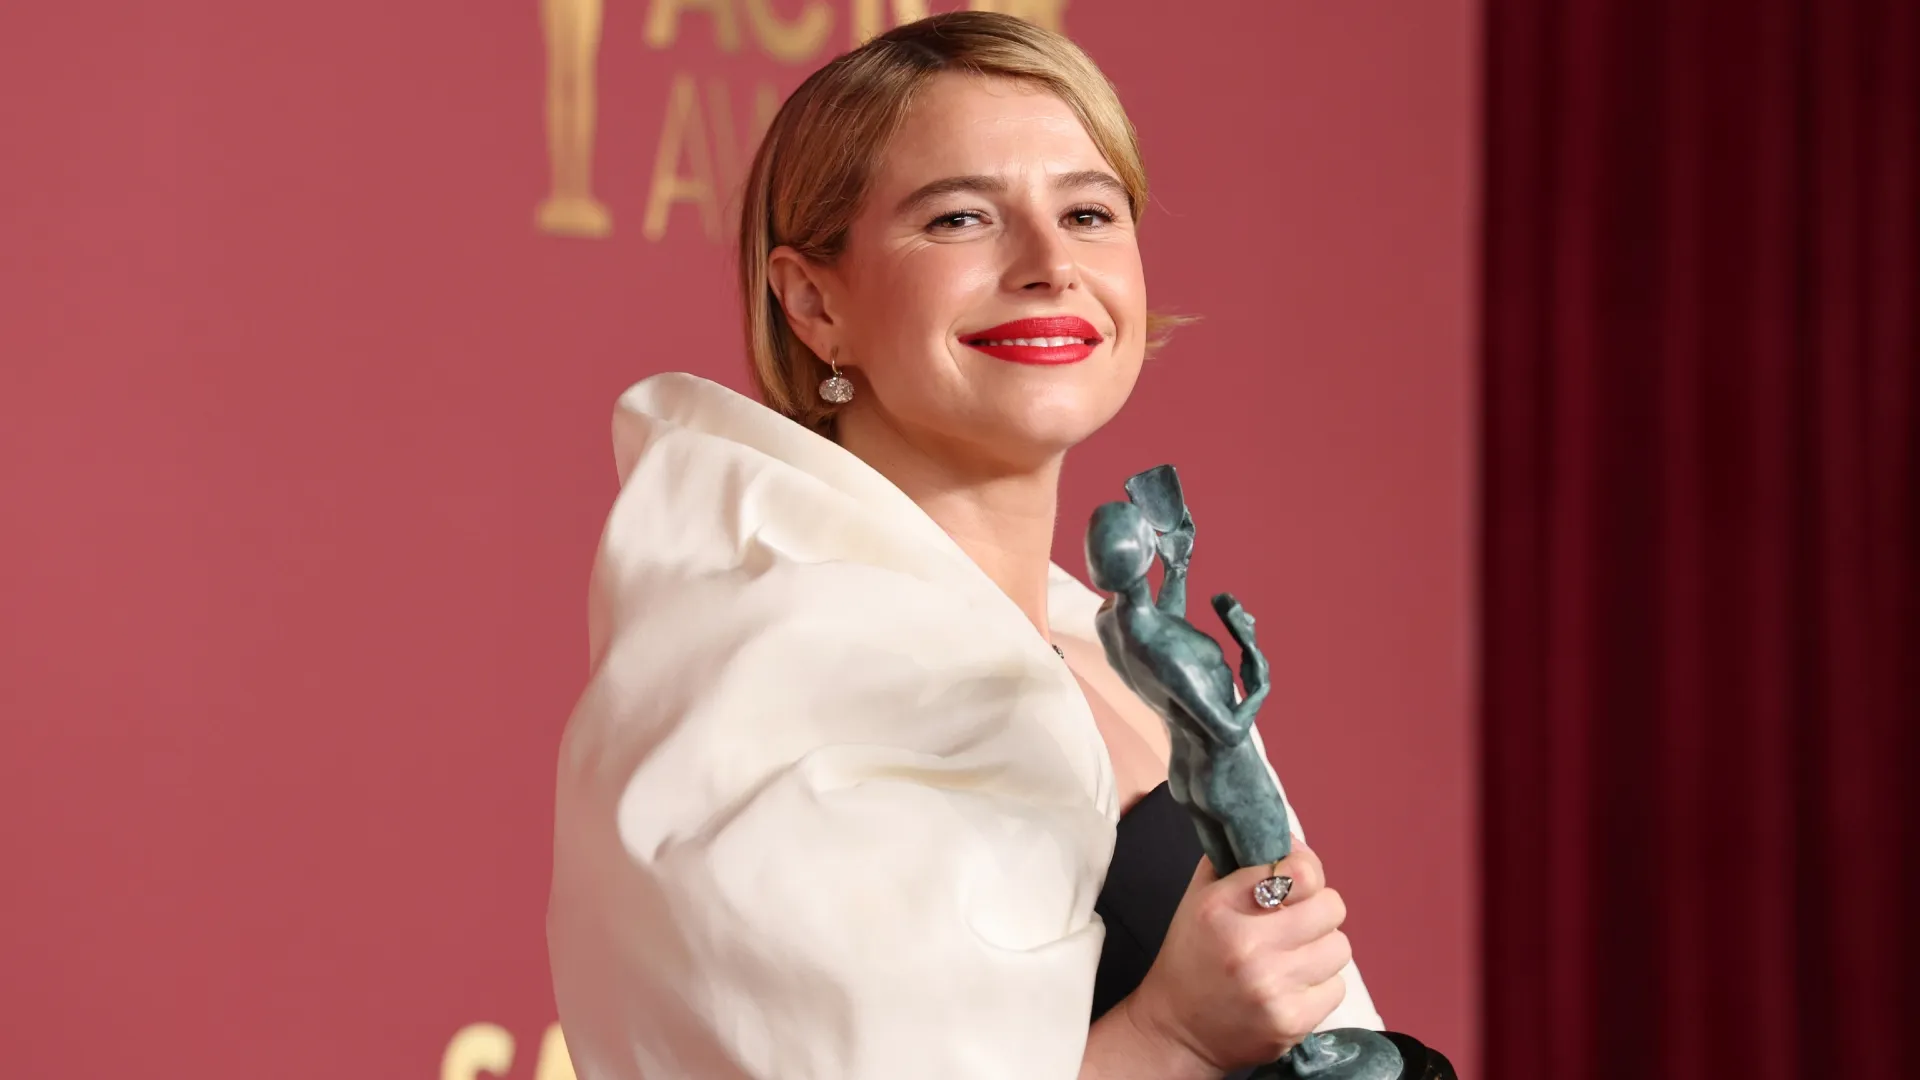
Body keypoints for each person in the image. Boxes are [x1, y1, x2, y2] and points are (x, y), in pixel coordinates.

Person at [546, 12, 1385, 1080]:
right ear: (813, 302)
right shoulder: (775, 675)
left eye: (1088, 211)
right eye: (958, 220)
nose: (1049, 265)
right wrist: (1168, 1041)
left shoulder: (1105, 648)